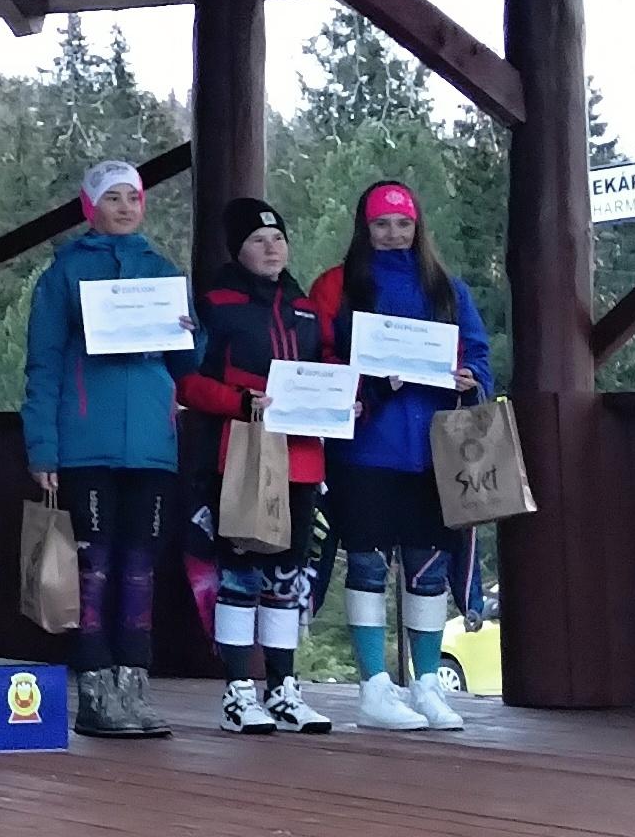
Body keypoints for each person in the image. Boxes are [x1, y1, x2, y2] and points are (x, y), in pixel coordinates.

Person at [308, 179, 494, 733]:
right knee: (367, 564)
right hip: (365, 449)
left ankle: (428, 684)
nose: (393, 234)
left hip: (432, 453)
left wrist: (471, 377)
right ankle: (373, 686)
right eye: (382, 224)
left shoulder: (447, 289)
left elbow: (478, 353)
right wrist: (362, 384)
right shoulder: (337, 286)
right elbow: (318, 356)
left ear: (418, 227)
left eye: (403, 223)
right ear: (364, 228)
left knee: (428, 568)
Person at [22, 157, 184, 740]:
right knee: (94, 568)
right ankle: (93, 690)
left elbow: (186, 364)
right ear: (91, 207)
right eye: (112, 198)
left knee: (140, 568)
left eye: (133, 198)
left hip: (152, 446)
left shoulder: (162, 270)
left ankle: (134, 684)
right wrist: (42, 449)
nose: (124, 208)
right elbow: (42, 366)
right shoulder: (64, 274)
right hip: (85, 442)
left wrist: (191, 332)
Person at [178, 195, 332, 736]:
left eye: (278, 239)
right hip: (238, 454)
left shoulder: (305, 306)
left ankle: (284, 689)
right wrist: (239, 401)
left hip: (301, 459)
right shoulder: (214, 304)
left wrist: (346, 399)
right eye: (258, 240)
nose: (271, 249)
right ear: (237, 250)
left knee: (287, 576)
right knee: (239, 574)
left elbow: (327, 366)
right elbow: (188, 381)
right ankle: (239, 691)